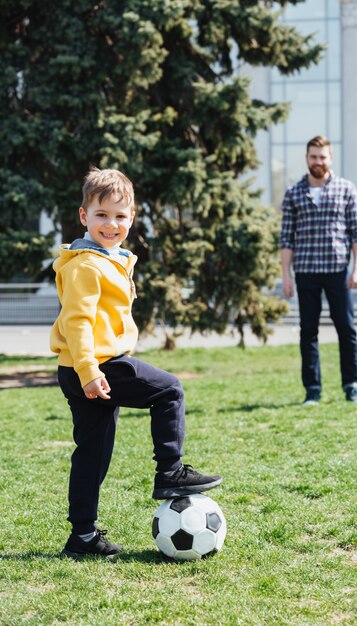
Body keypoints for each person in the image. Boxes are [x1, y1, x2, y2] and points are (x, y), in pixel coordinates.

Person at [50, 168, 222, 559]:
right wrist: (90, 371)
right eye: (102, 215)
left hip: (84, 367)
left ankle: (83, 537)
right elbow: (76, 322)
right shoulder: (86, 265)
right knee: (169, 389)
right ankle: (170, 471)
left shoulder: (111, 259)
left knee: (92, 454)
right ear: (84, 216)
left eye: (120, 216)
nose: (111, 224)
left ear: (132, 217)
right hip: (96, 365)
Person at [280, 135, 357, 406]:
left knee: (347, 329)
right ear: (307, 158)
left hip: (338, 271)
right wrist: (285, 275)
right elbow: (286, 239)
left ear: (331, 158)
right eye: (313, 157)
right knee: (308, 331)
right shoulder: (294, 193)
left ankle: (352, 386)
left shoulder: (346, 189)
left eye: (323, 157)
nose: (318, 162)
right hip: (305, 272)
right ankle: (312, 390)